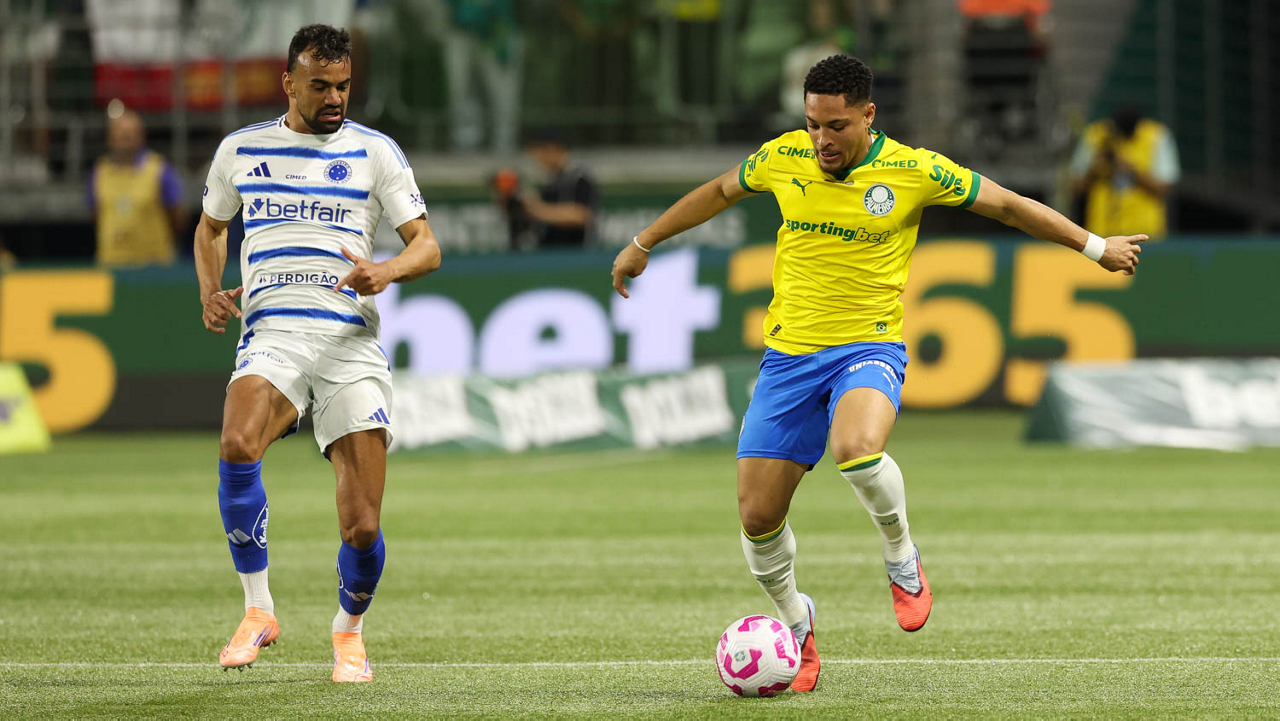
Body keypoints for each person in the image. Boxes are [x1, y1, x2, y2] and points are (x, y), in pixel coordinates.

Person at [610, 54, 1144, 693]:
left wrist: (1096, 247)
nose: (821, 140)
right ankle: (797, 623)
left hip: (867, 347)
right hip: (787, 359)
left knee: (857, 449)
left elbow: (1007, 205)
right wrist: (643, 243)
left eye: (835, 126)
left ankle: (901, 554)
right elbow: (721, 192)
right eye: (812, 124)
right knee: (756, 518)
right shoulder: (783, 156)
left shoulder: (914, 170)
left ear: (868, 114)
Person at [194, 24, 441, 682]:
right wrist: (209, 290)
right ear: (289, 83)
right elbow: (211, 227)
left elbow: (427, 246)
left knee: (362, 526)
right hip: (273, 334)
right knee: (237, 443)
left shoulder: (375, 152)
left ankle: (348, 630)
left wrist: (385, 270)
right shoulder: (241, 150)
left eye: (344, 85)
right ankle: (258, 608)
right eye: (321, 86)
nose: (335, 98)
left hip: (348, 345)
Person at [88, 108, 185, 267]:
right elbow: (95, 214)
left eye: (130, 134)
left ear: (141, 137)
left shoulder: (160, 169)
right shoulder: (99, 171)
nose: (125, 138)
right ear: (110, 137)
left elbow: (177, 217)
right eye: (120, 133)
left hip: (154, 266)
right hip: (110, 264)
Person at [1069, 104, 1181, 239]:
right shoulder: (1095, 134)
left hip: (1144, 232)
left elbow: (1164, 188)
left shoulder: (1157, 135)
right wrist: (1094, 170)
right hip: (1101, 232)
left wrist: (1129, 170)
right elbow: (1076, 187)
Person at [519, 131, 599, 249]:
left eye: (539, 152)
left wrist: (537, 210)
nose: (536, 158)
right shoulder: (549, 182)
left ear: (552, 149)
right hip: (550, 252)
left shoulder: (578, 177)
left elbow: (581, 215)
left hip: (576, 253)